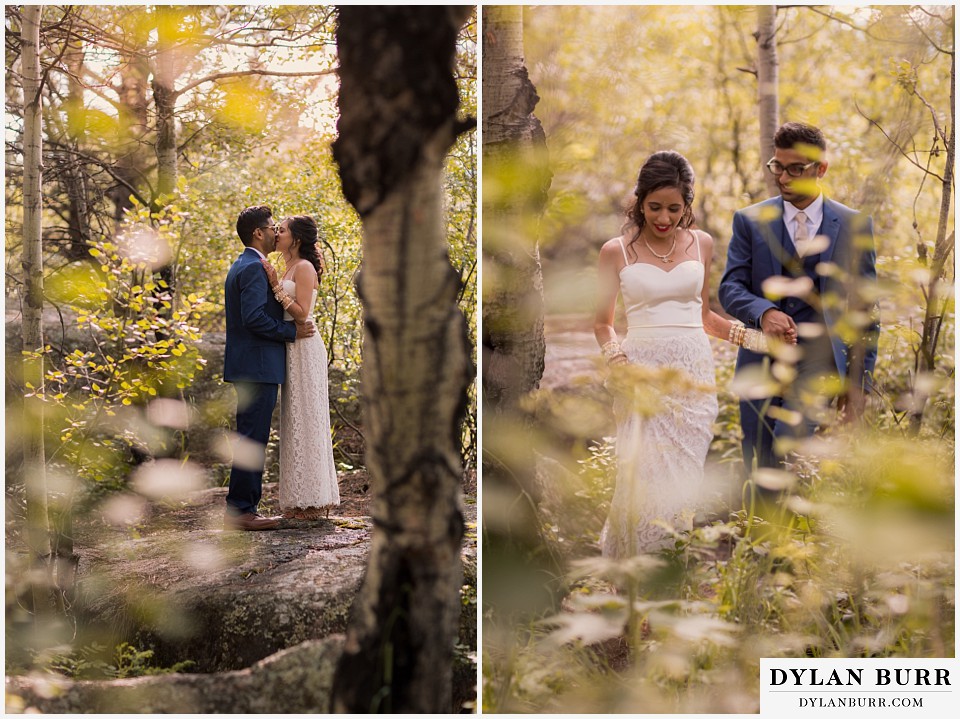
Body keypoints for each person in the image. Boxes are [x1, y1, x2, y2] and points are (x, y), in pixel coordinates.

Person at [594, 151, 776, 557]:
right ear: (639, 201)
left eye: (674, 209)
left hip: (694, 375)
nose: (663, 217)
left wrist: (761, 342)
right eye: (654, 207)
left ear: (686, 206)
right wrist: (617, 361)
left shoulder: (702, 244)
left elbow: (706, 317)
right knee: (640, 473)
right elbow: (602, 323)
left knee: (683, 480)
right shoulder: (615, 251)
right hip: (641, 373)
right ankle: (631, 574)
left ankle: (669, 568)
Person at [718, 122, 878, 477]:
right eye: (778, 167)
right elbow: (730, 287)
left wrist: (858, 387)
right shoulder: (750, 220)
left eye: (795, 169)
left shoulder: (854, 224)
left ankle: (785, 529)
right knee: (757, 453)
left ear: (820, 169)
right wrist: (764, 312)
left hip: (819, 361)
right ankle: (761, 531)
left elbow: (864, 311)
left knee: (790, 447)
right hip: (760, 356)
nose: (784, 178)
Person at [223, 205, 315, 531]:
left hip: (253, 365)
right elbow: (253, 318)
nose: (277, 232)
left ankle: (242, 509)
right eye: (272, 227)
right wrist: (292, 332)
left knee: (251, 437)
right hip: (256, 366)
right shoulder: (251, 267)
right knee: (252, 438)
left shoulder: (250, 264)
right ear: (257, 233)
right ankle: (242, 512)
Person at [260, 215, 341, 519]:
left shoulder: (304, 268)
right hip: (290, 347)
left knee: (308, 417)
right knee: (294, 419)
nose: (276, 234)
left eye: (281, 231)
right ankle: (298, 500)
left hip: (305, 346)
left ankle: (316, 501)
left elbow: (303, 314)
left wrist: (275, 287)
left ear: (295, 239)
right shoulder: (286, 267)